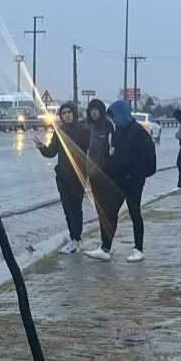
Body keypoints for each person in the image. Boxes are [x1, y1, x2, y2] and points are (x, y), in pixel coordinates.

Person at [85, 101, 154, 262]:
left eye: (115, 117)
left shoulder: (140, 133)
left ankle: (139, 249)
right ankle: (105, 247)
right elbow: (115, 156)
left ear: (123, 114)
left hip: (134, 182)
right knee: (110, 212)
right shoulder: (118, 132)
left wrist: (135, 175)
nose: (113, 120)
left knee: (134, 212)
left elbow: (150, 162)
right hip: (119, 181)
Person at [34, 101, 89, 253]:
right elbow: (52, 152)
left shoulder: (83, 130)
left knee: (76, 209)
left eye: (69, 112)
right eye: (63, 113)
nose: (66, 115)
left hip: (78, 176)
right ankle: (73, 239)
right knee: (67, 209)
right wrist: (42, 148)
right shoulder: (59, 131)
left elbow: (90, 150)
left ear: (74, 113)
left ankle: (77, 239)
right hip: (63, 177)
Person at [84, 99, 117, 252]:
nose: (94, 112)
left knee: (107, 209)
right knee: (99, 209)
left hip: (107, 175)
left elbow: (113, 149)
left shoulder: (108, 126)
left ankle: (106, 245)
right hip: (93, 175)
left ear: (102, 111)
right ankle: (105, 243)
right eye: (92, 110)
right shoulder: (88, 127)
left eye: (97, 109)